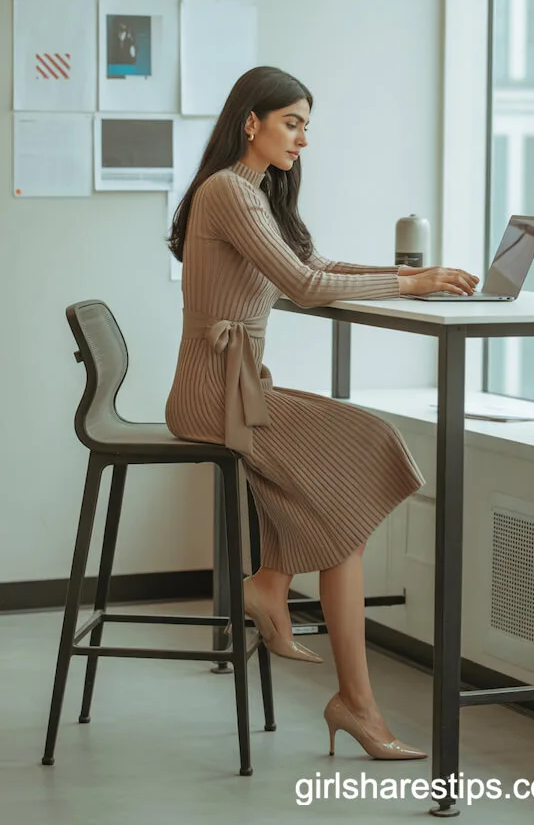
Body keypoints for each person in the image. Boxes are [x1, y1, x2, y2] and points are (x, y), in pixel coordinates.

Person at [165, 66, 479, 761]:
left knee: (344, 502)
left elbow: (312, 264)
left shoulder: (251, 194)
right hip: (217, 396)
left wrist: (408, 281)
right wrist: (413, 280)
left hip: (234, 388)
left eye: (307, 125)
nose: (304, 138)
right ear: (251, 122)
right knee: (369, 444)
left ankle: (280, 595)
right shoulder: (229, 192)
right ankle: (343, 686)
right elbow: (306, 285)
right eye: (292, 123)